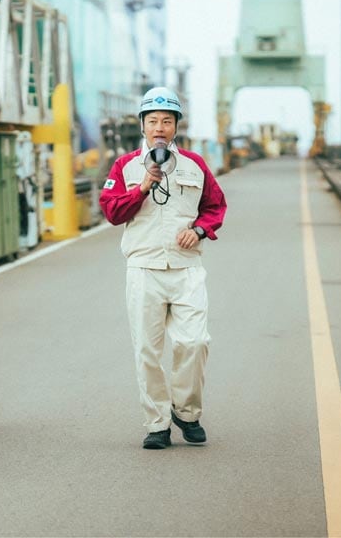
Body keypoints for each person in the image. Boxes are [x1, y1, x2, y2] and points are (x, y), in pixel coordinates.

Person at [99, 86, 227, 450]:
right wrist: (140, 188)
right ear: (142, 125)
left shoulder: (195, 165)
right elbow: (111, 211)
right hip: (143, 268)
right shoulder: (125, 167)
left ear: (175, 127)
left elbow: (215, 206)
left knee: (194, 342)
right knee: (147, 350)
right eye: (152, 120)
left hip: (186, 268)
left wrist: (200, 229)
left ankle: (186, 412)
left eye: (166, 121)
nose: (159, 127)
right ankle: (156, 424)